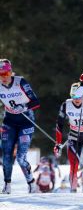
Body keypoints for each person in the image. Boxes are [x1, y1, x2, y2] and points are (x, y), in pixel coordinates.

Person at [0, 59, 40, 194]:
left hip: (26, 120)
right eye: (0, 75)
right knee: (6, 154)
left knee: (21, 158)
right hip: (9, 121)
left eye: (6, 74)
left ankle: (31, 183)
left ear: (11, 72)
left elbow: (36, 101)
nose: (3, 77)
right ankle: (7, 185)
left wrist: (24, 106)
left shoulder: (20, 82)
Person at [53, 82, 83, 192]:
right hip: (74, 137)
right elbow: (59, 124)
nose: (76, 99)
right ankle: (73, 190)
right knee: (73, 167)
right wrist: (58, 143)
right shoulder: (66, 105)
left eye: (79, 96)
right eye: (73, 96)